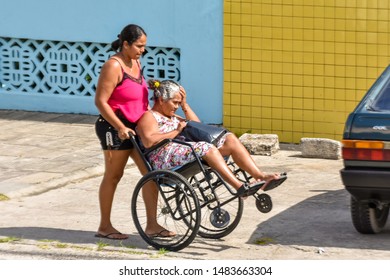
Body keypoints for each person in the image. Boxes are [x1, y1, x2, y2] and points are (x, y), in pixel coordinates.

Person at [136, 79, 282, 203]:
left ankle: (259, 175)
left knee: (230, 139)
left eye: (178, 104)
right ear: (161, 100)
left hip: (185, 152)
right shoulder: (149, 116)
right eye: (175, 103)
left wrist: (185, 106)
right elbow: (149, 141)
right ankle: (239, 187)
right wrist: (176, 131)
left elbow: (198, 127)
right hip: (164, 158)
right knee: (207, 148)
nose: (176, 107)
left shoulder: (173, 117)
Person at [94, 24, 150, 240]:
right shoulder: (113, 65)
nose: (142, 50)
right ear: (125, 44)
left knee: (150, 173)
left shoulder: (136, 61)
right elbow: (100, 101)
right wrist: (119, 126)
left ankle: (152, 226)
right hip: (114, 128)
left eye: (144, 46)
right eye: (138, 46)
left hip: (135, 128)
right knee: (114, 175)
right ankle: (104, 226)